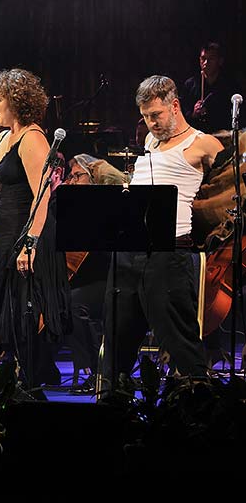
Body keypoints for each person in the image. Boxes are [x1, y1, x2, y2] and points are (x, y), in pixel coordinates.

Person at [103, 75, 223, 391]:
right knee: (118, 335)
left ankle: (202, 404)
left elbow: (226, 188)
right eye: (145, 116)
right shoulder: (150, 142)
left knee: (177, 336)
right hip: (131, 248)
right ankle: (112, 406)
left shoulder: (203, 144)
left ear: (175, 105)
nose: (151, 123)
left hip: (171, 250)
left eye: (156, 115)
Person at [0, 68, 71, 388]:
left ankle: (36, 379)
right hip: (2, 236)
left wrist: (31, 242)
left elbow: (41, 198)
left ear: (16, 102)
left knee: (25, 313)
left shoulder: (33, 138)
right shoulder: (1, 137)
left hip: (27, 235)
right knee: (3, 315)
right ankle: (11, 380)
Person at [60, 153, 125, 394]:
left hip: (112, 282)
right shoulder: (74, 210)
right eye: (72, 176)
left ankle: (95, 372)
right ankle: (41, 368)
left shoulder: (110, 210)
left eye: (78, 176)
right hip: (86, 283)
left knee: (73, 304)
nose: (73, 181)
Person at [180, 42, 241, 134]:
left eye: (211, 59)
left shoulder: (230, 86)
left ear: (220, 61)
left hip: (224, 136)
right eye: (203, 59)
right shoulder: (190, 85)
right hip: (197, 136)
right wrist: (194, 114)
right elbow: (182, 116)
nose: (206, 63)